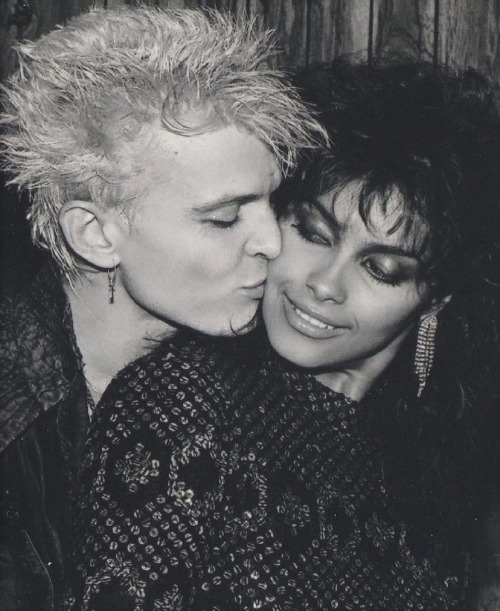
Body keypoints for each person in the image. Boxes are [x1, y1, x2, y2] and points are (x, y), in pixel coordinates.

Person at [62, 59, 500, 609]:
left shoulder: (436, 474)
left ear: (435, 300)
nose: (323, 284)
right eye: (313, 233)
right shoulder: (184, 398)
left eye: (380, 269)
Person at [0, 6, 325, 609]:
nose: (274, 243)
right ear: (95, 234)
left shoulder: (258, 386)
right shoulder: (14, 421)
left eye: (271, 204)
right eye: (224, 217)